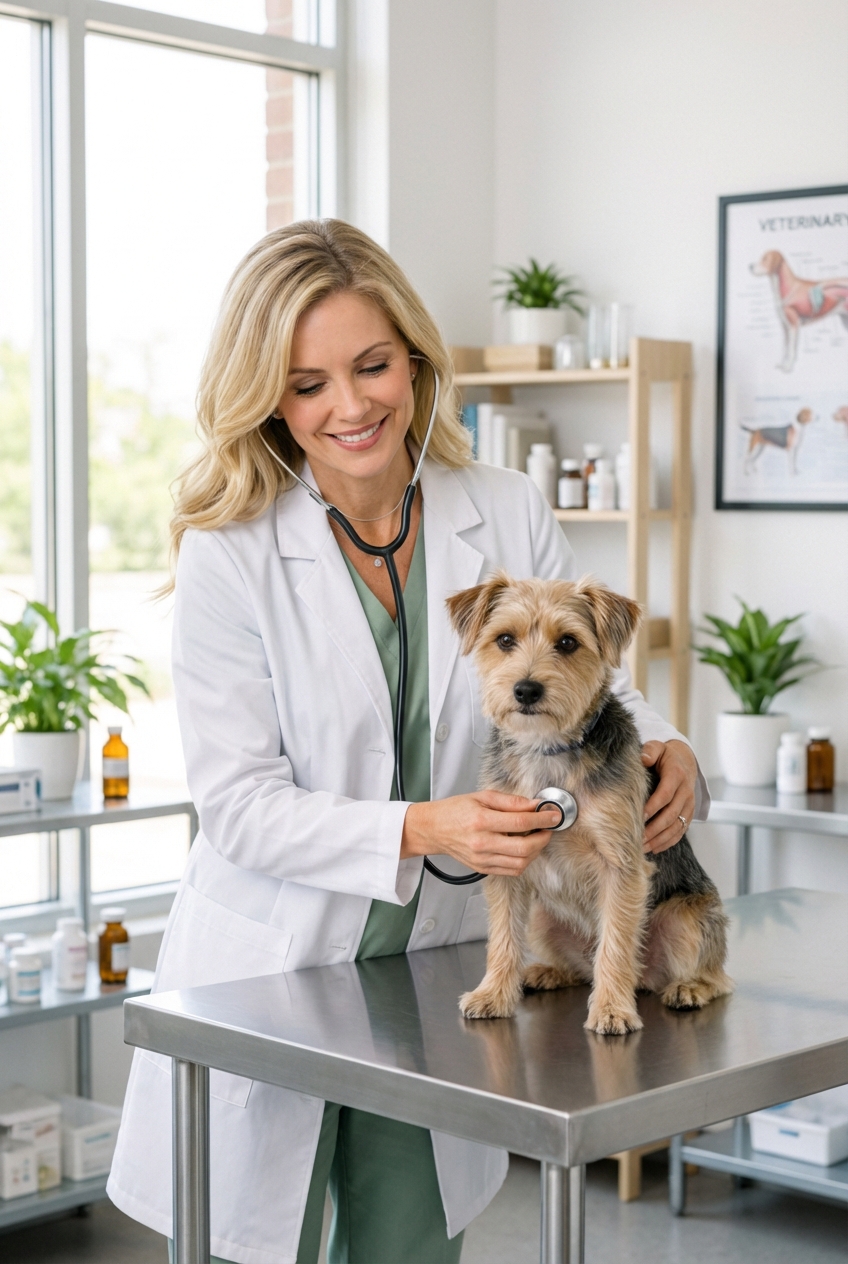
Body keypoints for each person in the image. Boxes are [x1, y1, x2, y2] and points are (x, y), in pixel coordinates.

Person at [108, 220, 706, 1264]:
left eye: (372, 365)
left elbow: (577, 670)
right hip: (277, 970)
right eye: (305, 384)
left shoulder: (499, 506)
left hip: (428, 981)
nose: (349, 406)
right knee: (258, 1238)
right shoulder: (228, 555)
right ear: (265, 396)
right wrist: (429, 823)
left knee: (409, 1244)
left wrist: (669, 746)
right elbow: (241, 804)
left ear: (416, 360)